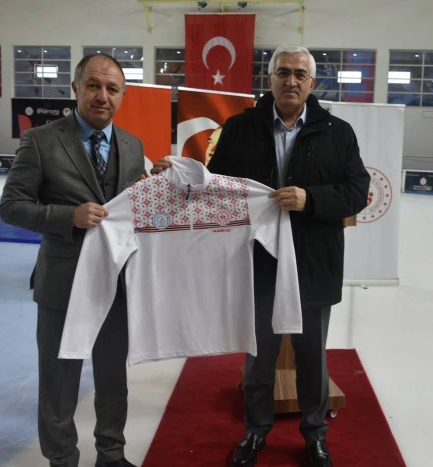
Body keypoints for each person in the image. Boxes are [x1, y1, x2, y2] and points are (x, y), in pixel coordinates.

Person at [154, 44, 370, 467]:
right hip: (257, 263)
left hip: (313, 266)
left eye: (300, 75)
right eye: (283, 72)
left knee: (312, 360)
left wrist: (310, 199)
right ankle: (255, 432)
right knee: (259, 359)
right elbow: (214, 188)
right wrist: (176, 177)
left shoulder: (338, 132)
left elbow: (357, 192)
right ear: (269, 79)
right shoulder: (239, 128)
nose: (291, 81)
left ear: (312, 83)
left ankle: (315, 435)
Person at [0, 53, 146, 467]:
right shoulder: (41, 140)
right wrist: (68, 217)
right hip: (63, 284)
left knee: (113, 379)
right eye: (94, 86)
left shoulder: (133, 146)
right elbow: (11, 206)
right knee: (59, 383)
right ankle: (62, 459)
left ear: (122, 96)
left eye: (112, 89)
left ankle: (111, 455)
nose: (103, 96)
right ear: (76, 88)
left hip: (117, 284)